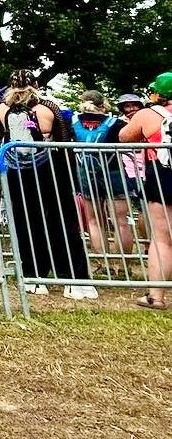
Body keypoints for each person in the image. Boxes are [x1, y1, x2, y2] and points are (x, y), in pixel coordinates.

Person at [0, 70, 97, 299]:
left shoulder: (1, 110)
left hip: (18, 172)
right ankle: (75, 279)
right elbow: (64, 138)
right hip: (51, 170)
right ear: (36, 84)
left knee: (25, 223)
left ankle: (33, 277)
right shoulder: (48, 107)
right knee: (62, 221)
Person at [119, 72, 172, 310]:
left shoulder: (148, 114)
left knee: (162, 239)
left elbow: (124, 137)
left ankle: (156, 297)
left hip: (163, 174)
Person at [71, 94, 135, 260]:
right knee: (121, 220)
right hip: (114, 171)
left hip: (86, 172)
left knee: (94, 220)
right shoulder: (116, 123)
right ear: (104, 104)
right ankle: (123, 263)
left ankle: (103, 260)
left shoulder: (74, 122)